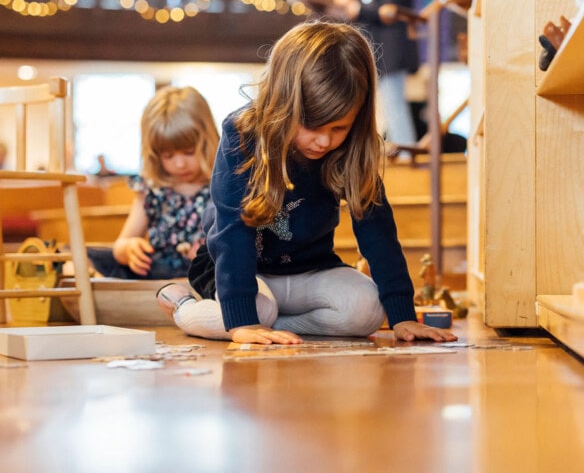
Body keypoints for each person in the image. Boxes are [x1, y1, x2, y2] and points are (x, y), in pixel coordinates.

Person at [156, 21, 457, 345]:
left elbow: (378, 231)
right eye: (311, 125)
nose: (324, 141)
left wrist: (403, 317)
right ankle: (180, 304)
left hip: (309, 272)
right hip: (240, 274)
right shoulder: (242, 134)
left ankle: (271, 325)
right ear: (282, 103)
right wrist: (243, 321)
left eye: (339, 128)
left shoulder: (352, 148)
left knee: (367, 311)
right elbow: (231, 229)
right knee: (255, 310)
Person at [85, 86, 219, 280]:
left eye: (189, 152)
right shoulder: (151, 189)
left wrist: (212, 251)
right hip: (158, 274)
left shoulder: (222, 185)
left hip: (208, 275)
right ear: (155, 154)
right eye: (168, 155)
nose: (180, 164)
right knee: (89, 258)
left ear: (209, 141)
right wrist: (130, 249)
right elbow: (121, 245)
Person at [332, 0, 419, 147]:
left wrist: (356, 6)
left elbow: (388, 10)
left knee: (395, 107)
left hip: (392, 50)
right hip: (387, 49)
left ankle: (406, 151)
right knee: (390, 107)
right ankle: (400, 149)